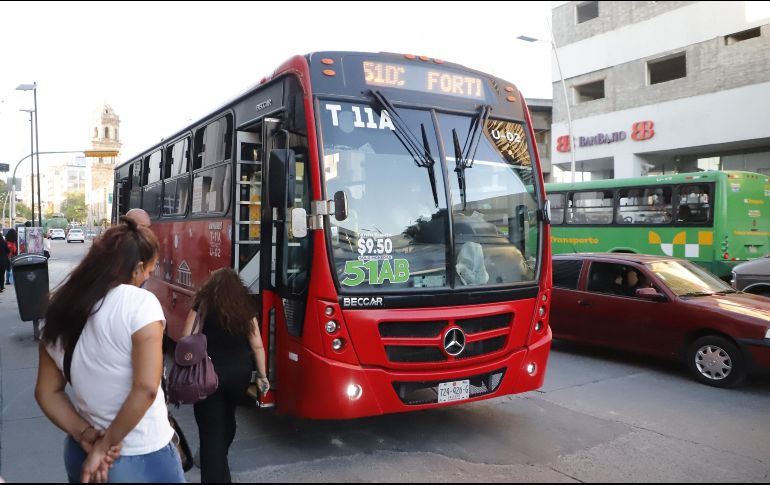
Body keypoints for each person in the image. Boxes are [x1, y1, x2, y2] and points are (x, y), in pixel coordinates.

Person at [35, 217, 185, 483]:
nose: (147, 278)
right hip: (142, 456)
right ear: (138, 267)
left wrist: (85, 435)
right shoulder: (140, 304)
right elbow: (146, 388)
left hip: (80, 452)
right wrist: (104, 449)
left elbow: (46, 392)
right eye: (149, 271)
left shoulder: (60, 309)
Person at [183, 267, 268, 483]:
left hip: (207, 376)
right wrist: (262, 376)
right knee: (228, 418)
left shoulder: (201, 304)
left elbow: (186, 339)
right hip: (238, 376)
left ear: (210, 285)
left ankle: (215, 470)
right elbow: (257, 345)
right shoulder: (244, 307)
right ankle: (222, 468)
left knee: (210, 432)